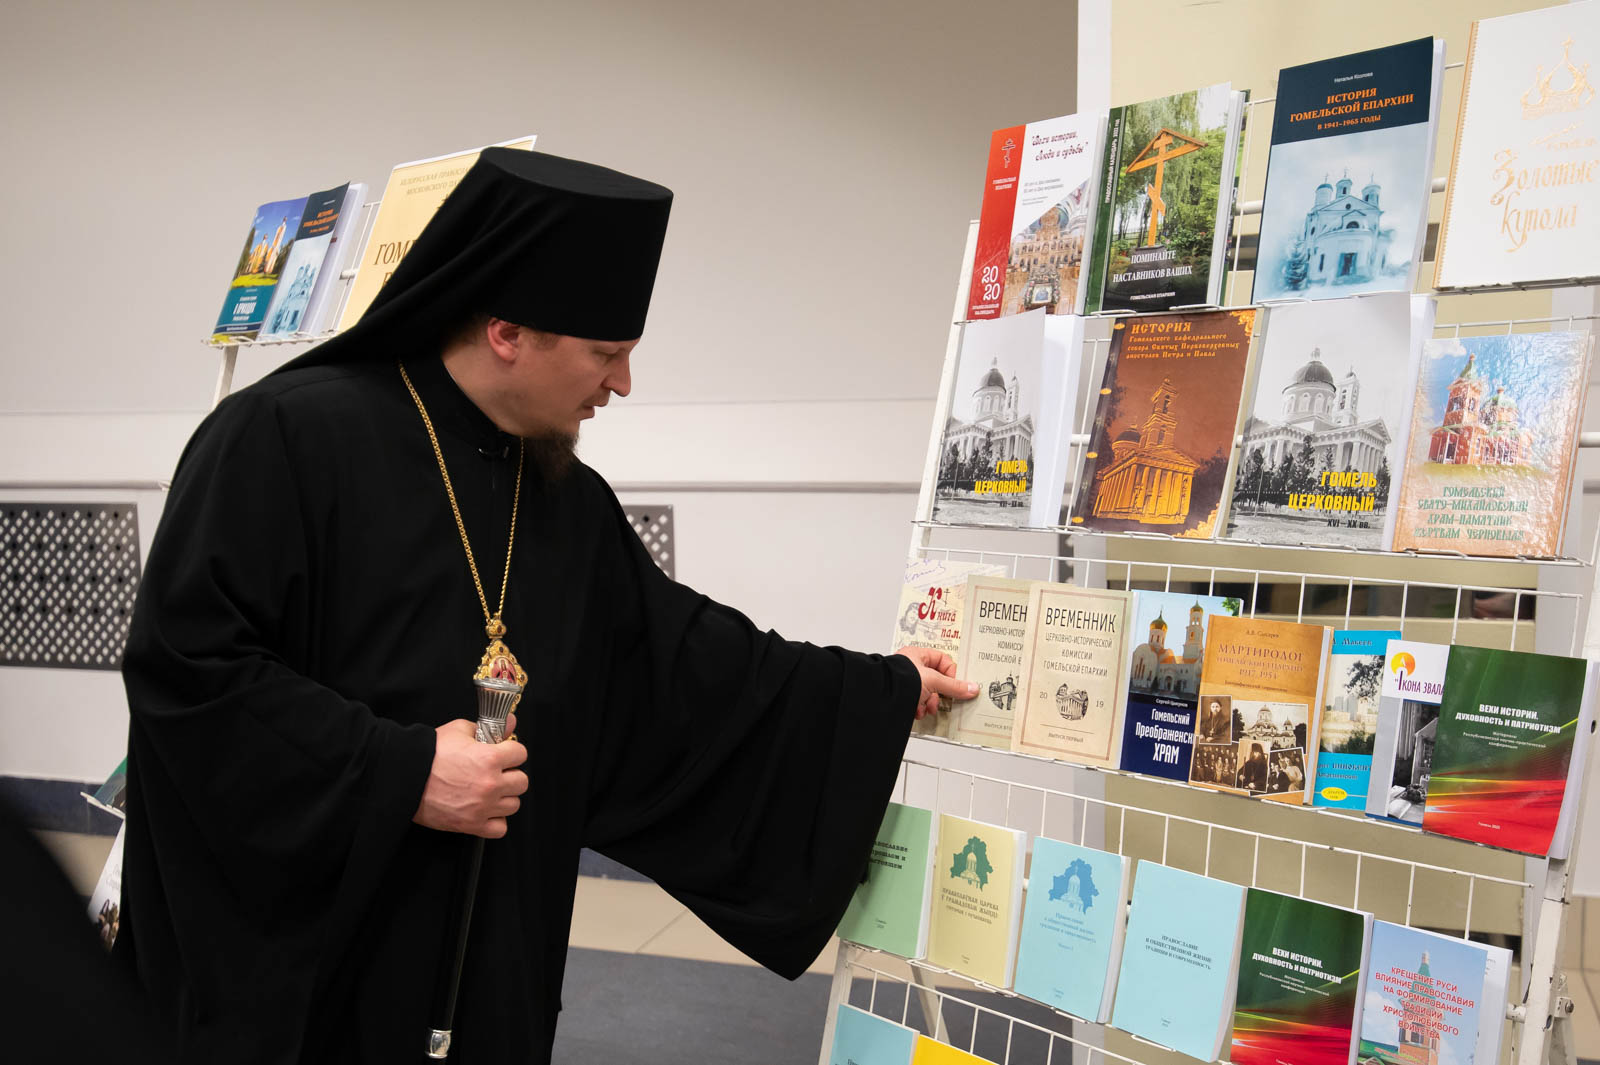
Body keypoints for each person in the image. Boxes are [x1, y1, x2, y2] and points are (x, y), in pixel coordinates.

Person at [117, 149, 974, 1065]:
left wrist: (874, 689)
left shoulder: (565, 495)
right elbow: (189, 671)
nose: (623, 384)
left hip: (492, 957)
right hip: (311, 968)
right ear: (507, 332)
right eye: (606, 354)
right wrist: (400, 771)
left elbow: (680, 661)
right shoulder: (280, 438)